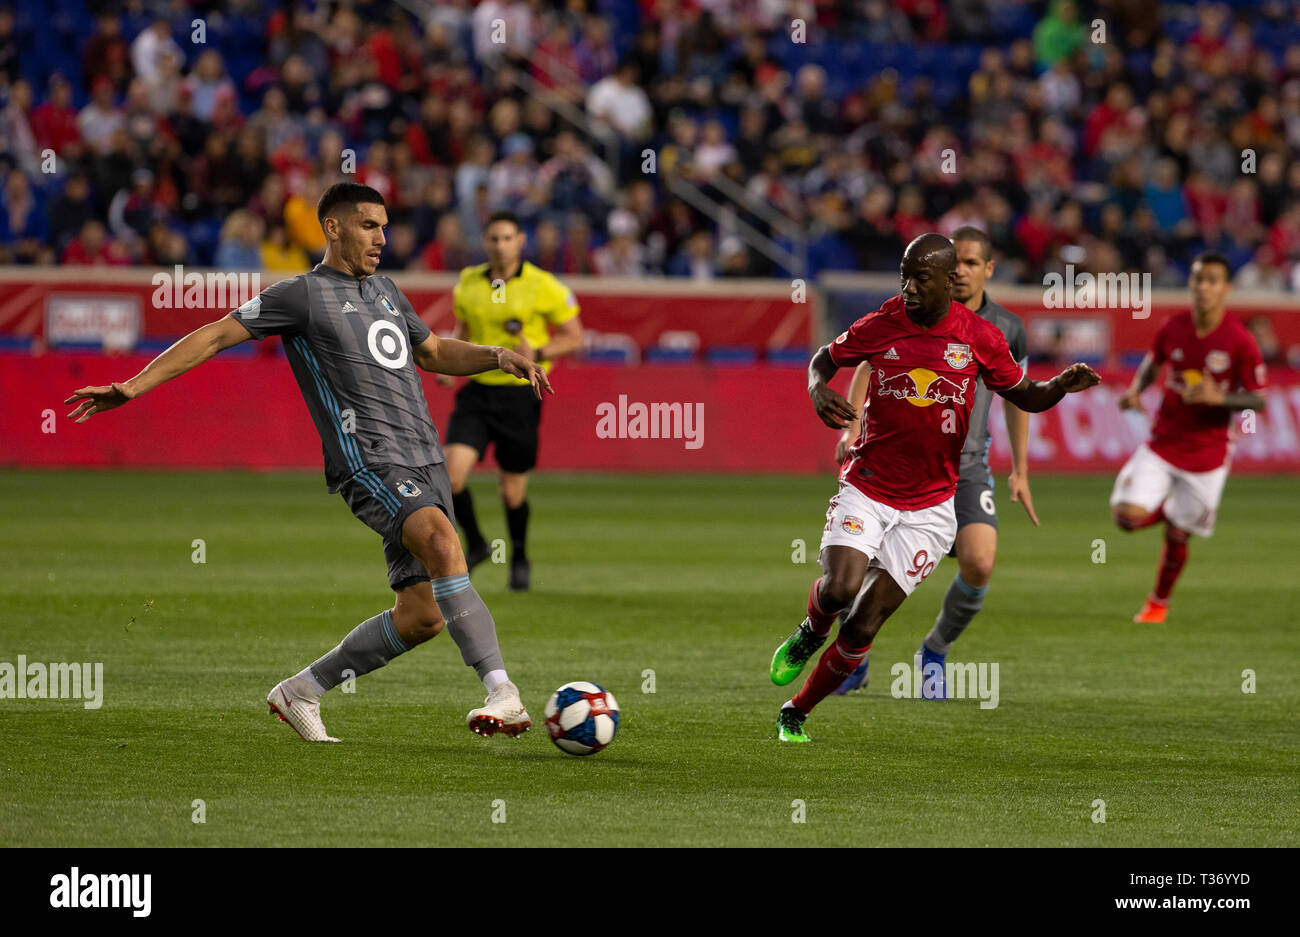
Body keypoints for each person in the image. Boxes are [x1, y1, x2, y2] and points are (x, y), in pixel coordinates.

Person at [64, 183, 551, 743]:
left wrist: (496, 356)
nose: (382, 238)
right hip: (369, 460)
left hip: (424, 456)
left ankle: (301, 691)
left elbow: (434, 351)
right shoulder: (300, 295)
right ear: (334, 227)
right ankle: (502, 691)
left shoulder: (388, 291)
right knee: (446, 542)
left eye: (385, 226)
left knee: (422, 616)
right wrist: (132, 386)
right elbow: (215, 335)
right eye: (369, 225)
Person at [769, 234, 1100, 742]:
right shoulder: (884, 322)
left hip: (931, 508)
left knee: (863, 625)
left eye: (921, 278)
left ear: (949, 281)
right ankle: (810, 632)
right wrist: (817, 388)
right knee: (840, 588)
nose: (909, 287)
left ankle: (797, 710)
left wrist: (1059, 386)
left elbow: (1026, 396)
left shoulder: (983, 337)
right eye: (904, 275)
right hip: (869, 485)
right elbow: (825, 358)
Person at [831, 227, 1035, 698]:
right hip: (895, 463)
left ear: (988, 268)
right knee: (855, 572)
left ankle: (935, 651)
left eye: (969, 263)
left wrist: (1020, 468)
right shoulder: (911, 312)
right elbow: (867, 360)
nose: (959, 271)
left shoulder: (1006, 328)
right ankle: (852, 657)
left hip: (965, 467)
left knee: (979, 564)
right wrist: (852, 425)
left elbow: (1018, 397)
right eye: (954, 262)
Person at [1111, 253, 1267, 623]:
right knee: (1126, 517)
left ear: (1226, 289)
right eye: (1198, 279)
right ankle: (1172, 513)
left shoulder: (1239, 341)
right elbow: (1154, 361)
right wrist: (1137, 390)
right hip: (1164, 442)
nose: (1203, 287)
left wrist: (1222, 399)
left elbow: (1257, 400)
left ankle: (1157, 605)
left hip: (1208, 453)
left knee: (1179, 537)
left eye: (1212, 280)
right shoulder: (1173, 327)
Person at [441, 211, 583, 590]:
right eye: (494, 239)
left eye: (507, 238)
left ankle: (518, 556)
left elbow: (574, 336)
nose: (500, 246)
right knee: (449, 476)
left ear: (520, 241)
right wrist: (446, 363)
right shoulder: (468, 283)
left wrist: (538, 349)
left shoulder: (543, 285)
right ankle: (476, 544)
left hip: (521, 395)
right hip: (478, 392)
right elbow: (463, 332)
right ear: (484, 243)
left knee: (511, 489)